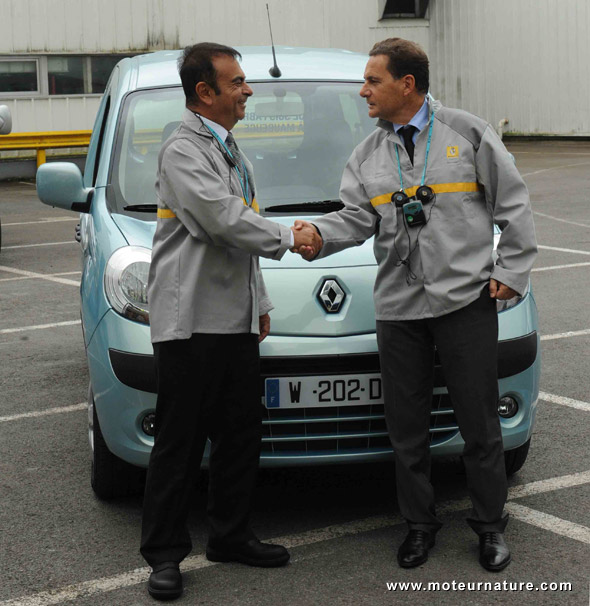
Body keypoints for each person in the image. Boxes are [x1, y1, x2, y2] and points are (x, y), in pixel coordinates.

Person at [293, 38, 537, 572]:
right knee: (407, 428)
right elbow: (355, 219)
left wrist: (511, 272)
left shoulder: (467, 134)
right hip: (400, 309)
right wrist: (315, 233)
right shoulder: (367, 156)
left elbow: (513, 205)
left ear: (407, 84)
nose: (364, 91)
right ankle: (419, 526)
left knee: (479, 424)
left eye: (372, 81)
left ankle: (490, 527)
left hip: (463, 303)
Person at [141, 42, 315, 601]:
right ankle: (165, 556)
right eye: (237, 82)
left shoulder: (230, 149)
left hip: (233, 319)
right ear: (204, 93)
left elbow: (243, 232)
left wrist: (258, 302)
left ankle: (231, 535)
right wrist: (294, 236)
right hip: (191, 321)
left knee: (240, 435)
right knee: (180, 441)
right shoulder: (183, 149)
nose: (248, 91)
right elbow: (223, 221)